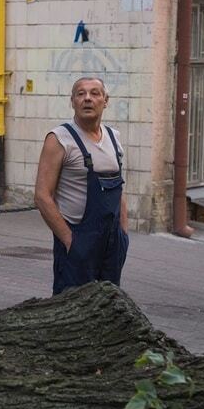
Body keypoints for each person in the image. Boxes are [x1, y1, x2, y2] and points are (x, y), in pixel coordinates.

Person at [34, 76, 129, 295]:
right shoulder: (59, 139)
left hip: (112, 243)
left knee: (108, 305)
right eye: (81, 94)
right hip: (78, 241)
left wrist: (123, 235)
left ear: (106, 100)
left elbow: (120, 189)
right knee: (71, 308)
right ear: (72, 101)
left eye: (95, 93)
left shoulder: (114, 138)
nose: (87, 98)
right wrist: (69, 241)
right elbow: (42, 196)